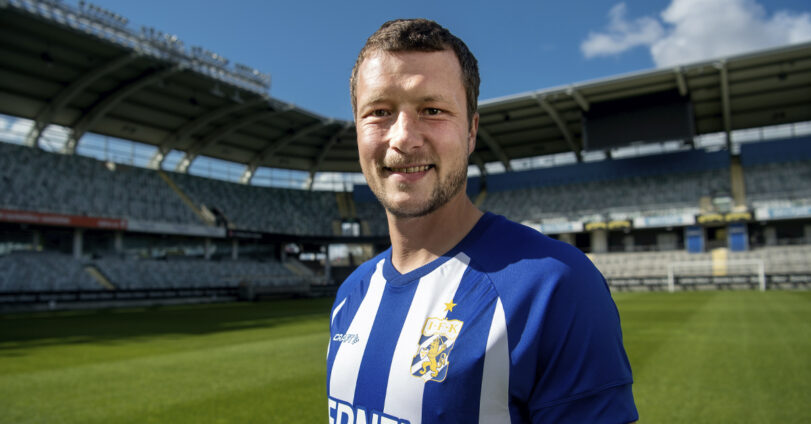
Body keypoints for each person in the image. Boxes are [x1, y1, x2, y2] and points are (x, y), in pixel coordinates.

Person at [327, 19, 638, 424]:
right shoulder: (351, 294)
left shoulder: (555, 286)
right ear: (357, 130)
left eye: (433, 110)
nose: (403, 137)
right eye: (379, 112)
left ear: (471, 131)